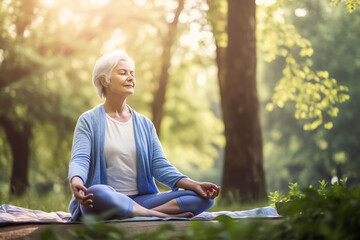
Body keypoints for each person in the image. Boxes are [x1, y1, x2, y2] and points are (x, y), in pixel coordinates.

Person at [68, 49, 221, 221]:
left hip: (142, 200)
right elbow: (80, 158)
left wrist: (195, 185)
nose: (131, 78)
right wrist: (76, 180)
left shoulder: (144, 124)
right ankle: (153, 214)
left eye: (132, 73)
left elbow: (160, 166)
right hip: (104, 200)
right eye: (123, 73)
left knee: (203, 198)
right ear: (105, 80)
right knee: (96, 193)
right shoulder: (88, 121)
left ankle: (136, 212)